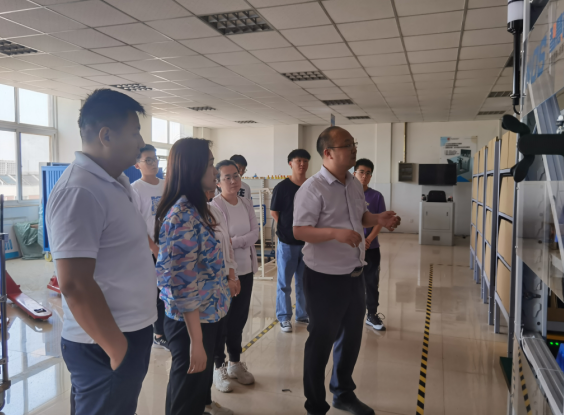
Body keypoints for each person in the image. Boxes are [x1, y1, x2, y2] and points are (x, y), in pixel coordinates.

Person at [46, 89, 157, 415]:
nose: (141, 142)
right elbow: (74, 284)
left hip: (126, 332)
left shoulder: (112, 181)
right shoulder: (79, 190)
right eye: (135, 132)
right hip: (103, 343)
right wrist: (117, 349)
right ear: (106, 136)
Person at [293, 126, 401, 415]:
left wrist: (378, 218)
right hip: (324, 279)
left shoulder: (353, 183)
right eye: (347, 145)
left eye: (354, 143)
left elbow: (359, 216)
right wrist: (334, 233)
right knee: (321, 342)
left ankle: (342, 393)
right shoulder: (312, 188)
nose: (353, 149)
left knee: (351, 338)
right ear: (328, 153)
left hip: (354, 274)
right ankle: (315, 404)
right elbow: (300, 230)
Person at [155, 138, 235, 415]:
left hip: (206, 315)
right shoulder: (182, 216)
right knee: (185, 397)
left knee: (196, 391)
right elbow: (182, 285)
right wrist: (197, 342)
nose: (215, 170)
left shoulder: (198, 209)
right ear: (192, 167)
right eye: (211, 163)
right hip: (190, 323)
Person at [210, 160, 258, 392]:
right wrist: (239, 241)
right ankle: (218, 367)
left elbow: (255, 234)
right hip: (225, 273)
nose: (232, 180)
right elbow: (220, 240)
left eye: (235, 175)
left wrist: (235, 241)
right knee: (223, 321)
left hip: (246, 269)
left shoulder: (246, 203)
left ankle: (235, 364)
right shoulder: (214, 206)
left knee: (239, 320)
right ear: (218, 183)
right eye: (226, 177)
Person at [131, 144, 168, 349]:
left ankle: (168, 329)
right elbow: (135, 224)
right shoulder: (135, 189)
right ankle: (158, 333)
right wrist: (153, 247)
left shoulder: (166, 185)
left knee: (169, 290)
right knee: (155, 293)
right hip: (149, 251)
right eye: (148, 160)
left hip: (169, 247)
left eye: (155, 159)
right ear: (137, 164)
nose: (154, 163)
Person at [270, 149, 311, 333]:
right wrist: (288, 228)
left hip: (307, 242)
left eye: (305, 161)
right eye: (298, 161)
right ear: (290, 164)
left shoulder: (311, 186)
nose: (302, 164)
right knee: (284, 283)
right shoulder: (282, 187)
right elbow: (274, 212)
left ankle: (302, 314)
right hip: (287, 243)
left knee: (304, 282)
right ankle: (284, 317)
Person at [353, 159, 386, 331]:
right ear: (354, 173)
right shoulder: (346, 194)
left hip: (371, 248)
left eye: (368, 173)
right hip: (351, 248)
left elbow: (380, 220)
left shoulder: (376, 196)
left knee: (371, 282)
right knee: (350, 282)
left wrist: (369, 239)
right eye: (361, 172)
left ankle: (372, 314)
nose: (364, 176)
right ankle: (349, 314)